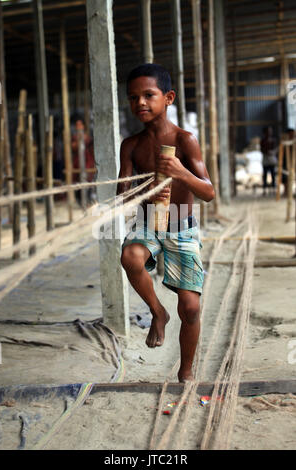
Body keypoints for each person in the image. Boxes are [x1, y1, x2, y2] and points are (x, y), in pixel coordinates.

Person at [116, 64, 215, 382]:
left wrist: (180, 173)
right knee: (130, 256)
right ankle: (157, 312)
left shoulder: (185, 141)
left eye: (149, 95)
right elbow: (123, 193)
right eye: (133, 98)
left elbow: (209, 192)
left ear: (168, 97)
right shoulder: (130, 146)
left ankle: (185, 372)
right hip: (148, 221)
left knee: (190, 309)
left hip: (181, 225)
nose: (140, 103)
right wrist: (129, 193)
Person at [260, 126, 278, 195]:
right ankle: (264, 190)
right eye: (268, 131)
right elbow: (261, 149)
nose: (270, 132)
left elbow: (276, 149)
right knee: (265, 175)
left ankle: (273, 189)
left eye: (270, 131)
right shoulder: (263, 140)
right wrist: (267, 152)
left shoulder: (273, 140)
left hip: (272, 160)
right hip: (265, 160)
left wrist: (273, 152)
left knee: (273, 175)